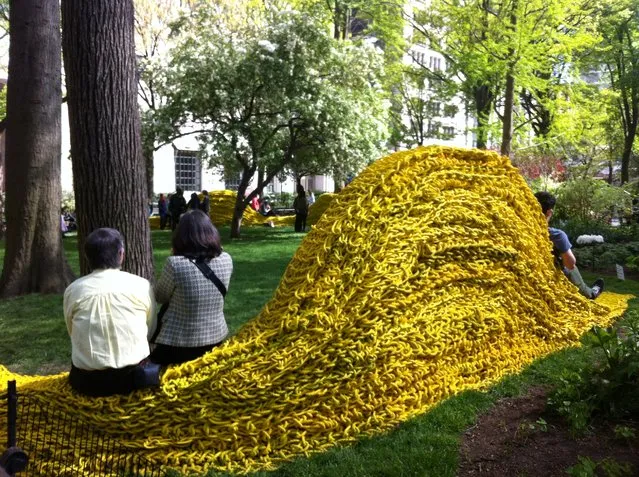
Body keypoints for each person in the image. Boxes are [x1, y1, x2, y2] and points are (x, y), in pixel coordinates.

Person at [64, 228, 157, 396]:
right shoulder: (141, 285)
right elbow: (149, 328)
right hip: (134, 378)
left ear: (87, 257)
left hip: (86, 381)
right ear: (121, 254)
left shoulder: (73, 290)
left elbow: (71, 330)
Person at [150, 210, 233, 365]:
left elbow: (160, 296)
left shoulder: (175, 264)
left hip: (179, 342)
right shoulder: (227, 259)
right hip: (216, 336)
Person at [534, 191, 604, 299]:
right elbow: (570, 264)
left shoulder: (522, 231)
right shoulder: (556, 235)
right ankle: (591, 293)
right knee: (570, 266)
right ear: (549, 212)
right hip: (552, 276)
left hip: (532, 274)